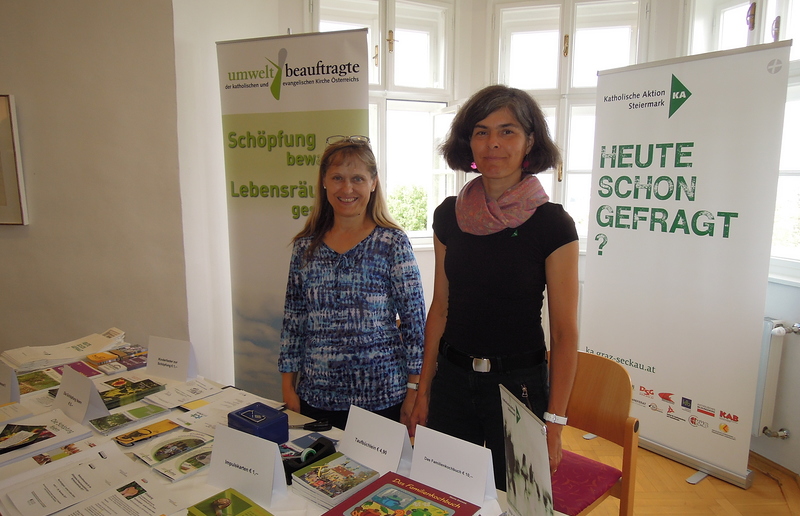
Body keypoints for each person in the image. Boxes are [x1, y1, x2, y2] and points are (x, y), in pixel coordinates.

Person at [409, 85, 579, 490]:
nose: (493, 143)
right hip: (452, 381)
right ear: (468, 142)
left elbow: (564, 332)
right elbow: (441, 307)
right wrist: (422, 388)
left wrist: (555, 422)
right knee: (445, 494)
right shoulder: (449, 215)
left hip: (518, 388)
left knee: (518, 501)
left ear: (529, 142)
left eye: (507, 131)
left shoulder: (552, 224)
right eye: (481, 132)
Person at [279, 135, 426, 431]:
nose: (347, 189)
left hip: (383, 398)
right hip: (316, 398)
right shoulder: (305, 247)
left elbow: (415, 325)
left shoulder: (392, 243)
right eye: (337, 178)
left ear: (373, 183)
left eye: (357, 178)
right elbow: (294, 323)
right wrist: (288, 387)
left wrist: (414, 391)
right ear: (324, 182)